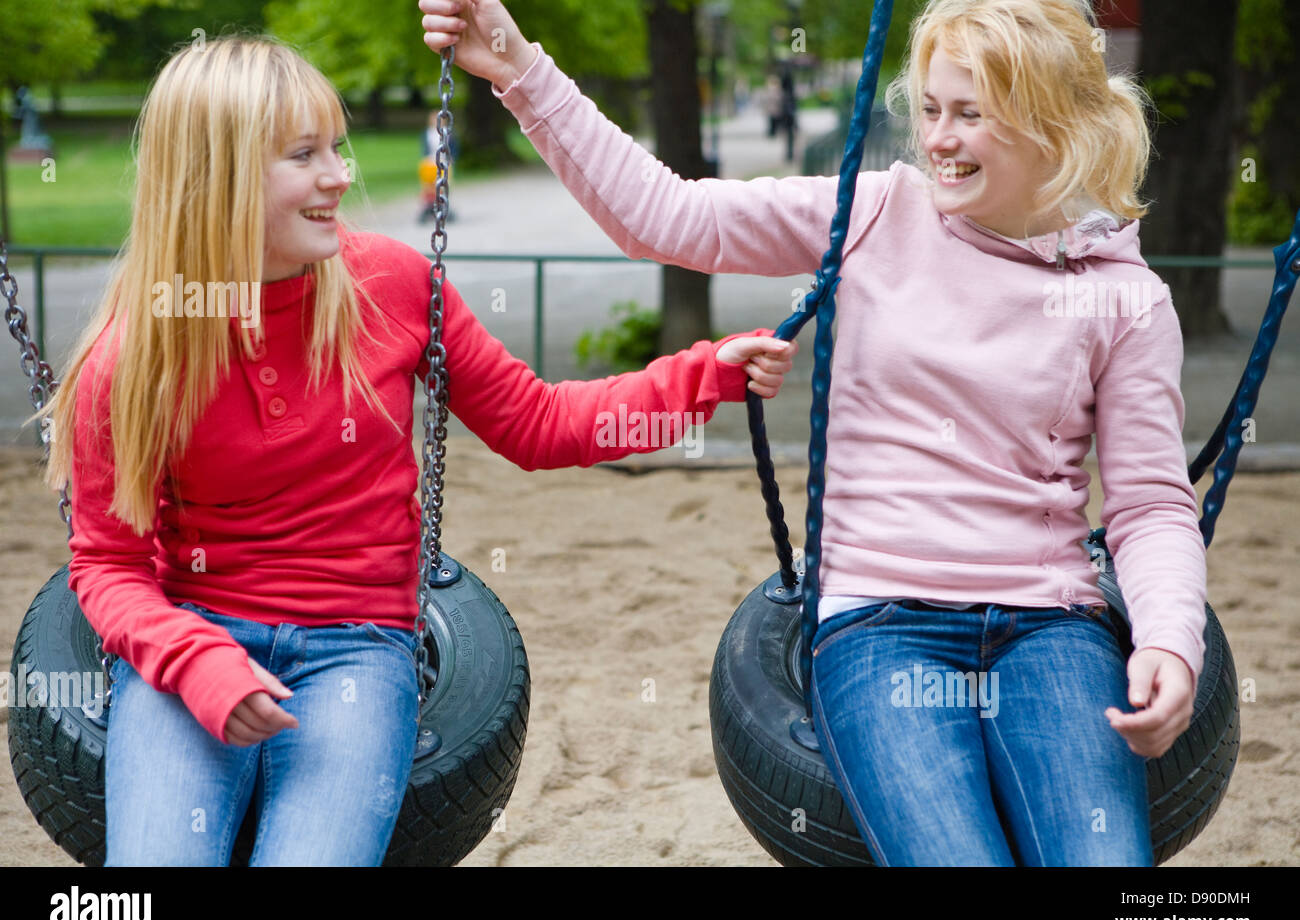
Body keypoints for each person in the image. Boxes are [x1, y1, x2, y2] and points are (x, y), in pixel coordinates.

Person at [419, 0, 1207, 866]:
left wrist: (1170, 637)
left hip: (1049, 623)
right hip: (880, 623)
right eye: (932, 109)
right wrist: (522, 71)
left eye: (971, 115)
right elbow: (665, 217)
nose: (938, 139)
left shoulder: (1123, 297)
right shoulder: (871, 215)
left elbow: (1149, 504)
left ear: (1055, 124)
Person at [39, 34, 795, 866]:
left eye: (338, 147)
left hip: (354, 647)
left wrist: (700, 378)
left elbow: (538, 424)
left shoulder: (393, 287)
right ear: (214, 181)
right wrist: (197, 662)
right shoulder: (134, 357)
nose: (341, 176)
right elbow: (107, 567)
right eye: (305, 155)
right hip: (190, 635)